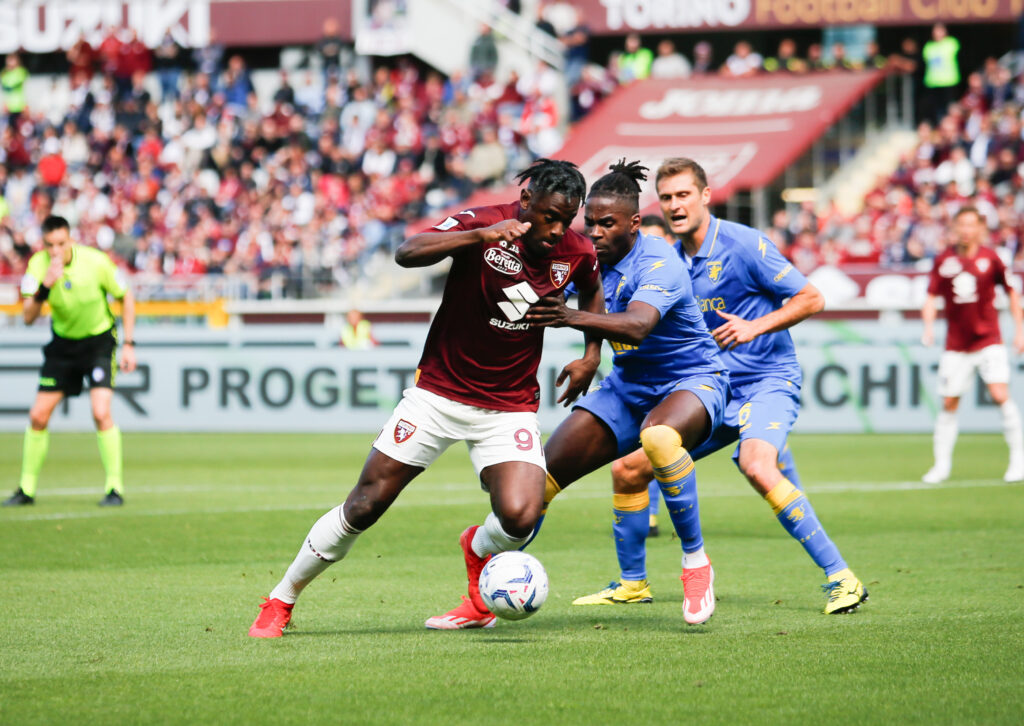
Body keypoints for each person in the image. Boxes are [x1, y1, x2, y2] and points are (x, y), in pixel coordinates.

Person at [248, 159, 604, 637]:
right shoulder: (482, 223)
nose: (557, 230)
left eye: (568, 219)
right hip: (437, 394)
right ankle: (280, 600)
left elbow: (592, 289)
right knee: (364, 506)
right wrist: (478, 238)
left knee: (521, 516)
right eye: (549, 217)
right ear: (526, 203)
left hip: (509, 404)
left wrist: (591, 354)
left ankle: (477, 550)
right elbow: (408, 251)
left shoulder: (576, 250)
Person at [559, 159, 869, 616]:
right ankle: (632, 584)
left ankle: (843, 579)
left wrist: (754, 327)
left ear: (705, 196)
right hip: (710, 388)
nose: (675, 205)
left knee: (758, 466)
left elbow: (812, 297)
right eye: (667, 197)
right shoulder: (665, 258)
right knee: (629, 469)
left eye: (684, 195)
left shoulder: (743, 244)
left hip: (765, 380)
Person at [429, 161, 731, 628]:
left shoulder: (658, 262)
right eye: (589, 222)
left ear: (634, 223)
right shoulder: (578, 255)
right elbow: (572, 297)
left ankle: (695, 564)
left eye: (607, 224)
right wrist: (591, 358)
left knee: (659, 438)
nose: (595, 232)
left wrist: (571, 320)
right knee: (536, 484)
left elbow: (637, 324)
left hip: (691, 379)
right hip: (627, 386)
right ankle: (482, 585)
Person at [4, 216, 137, 507]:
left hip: (98, 341)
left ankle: (114, 488)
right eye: (50, 245)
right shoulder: (37, 267)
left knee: (101, 412)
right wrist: (44, 287)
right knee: (38, 416)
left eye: (61, 244)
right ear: (44, 244)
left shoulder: (96, 261)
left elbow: (126, 296)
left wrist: (128, 344)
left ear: (71, 240)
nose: (56, 251)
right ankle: (26, 490)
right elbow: (28, 317)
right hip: (63, 345)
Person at [921, 206, 1024, 484]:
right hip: (956, 345)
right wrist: (928, 328)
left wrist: (1020, 331)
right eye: (961, 225)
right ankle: (941, 466)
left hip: (989, 340)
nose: (966, 230)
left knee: (1000, 394)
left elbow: (1013, 293)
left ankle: (1018, 460)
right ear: (954, 228)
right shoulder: (944, 260)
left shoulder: (992, 258)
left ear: (980, 228)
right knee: (949, 402)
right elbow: (930, 297)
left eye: (971, 225)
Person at [922, 23, 960, 124]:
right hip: (933, 82)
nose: (937, 33)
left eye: (940, 30)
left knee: (949, 108)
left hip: (948, 81)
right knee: (935, 109)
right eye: (935, 31)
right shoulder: (929, 46)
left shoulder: (951, 43)